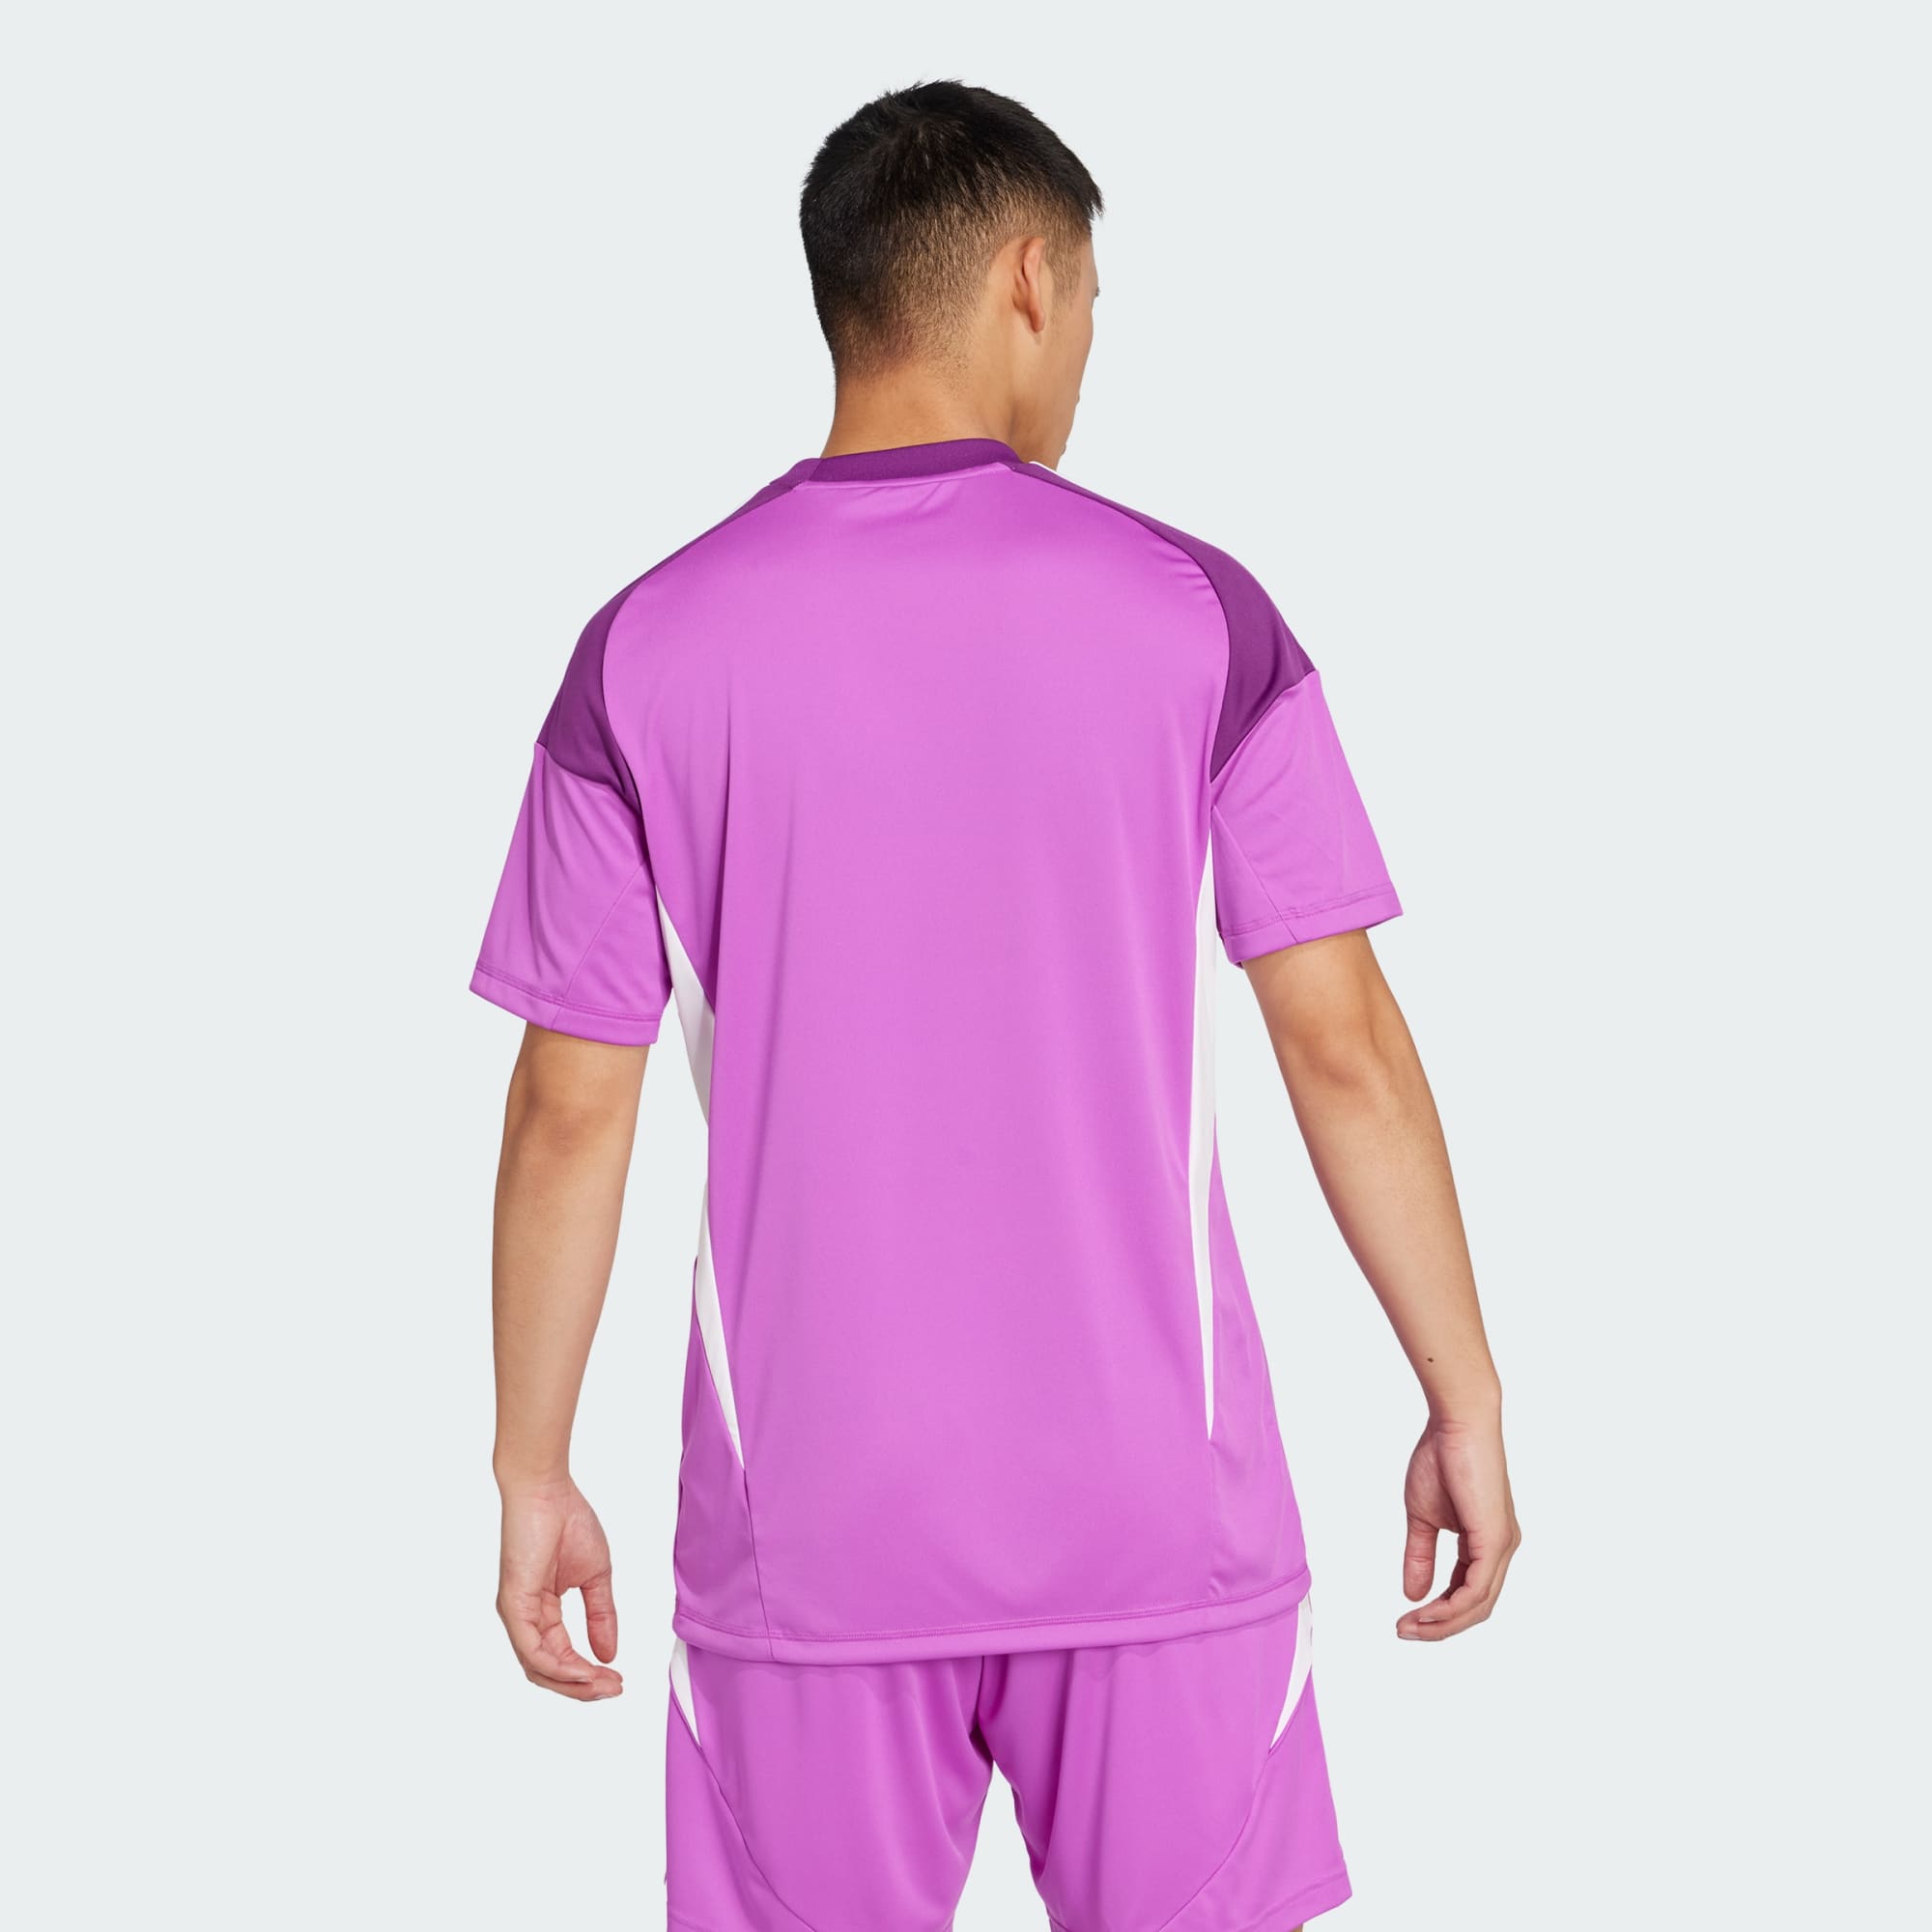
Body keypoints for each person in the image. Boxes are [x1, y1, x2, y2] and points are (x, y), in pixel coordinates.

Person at [472, 79, 1519, 1932]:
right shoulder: (1199, 615)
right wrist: (1463, 1393)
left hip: (810, 1542)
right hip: (1159, 1527)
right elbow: (1341, 1043)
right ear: (1031, 278)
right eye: (1097, 297)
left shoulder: (643, 651)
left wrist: (532, 1466)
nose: (1092, 344)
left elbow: (571, 1106)